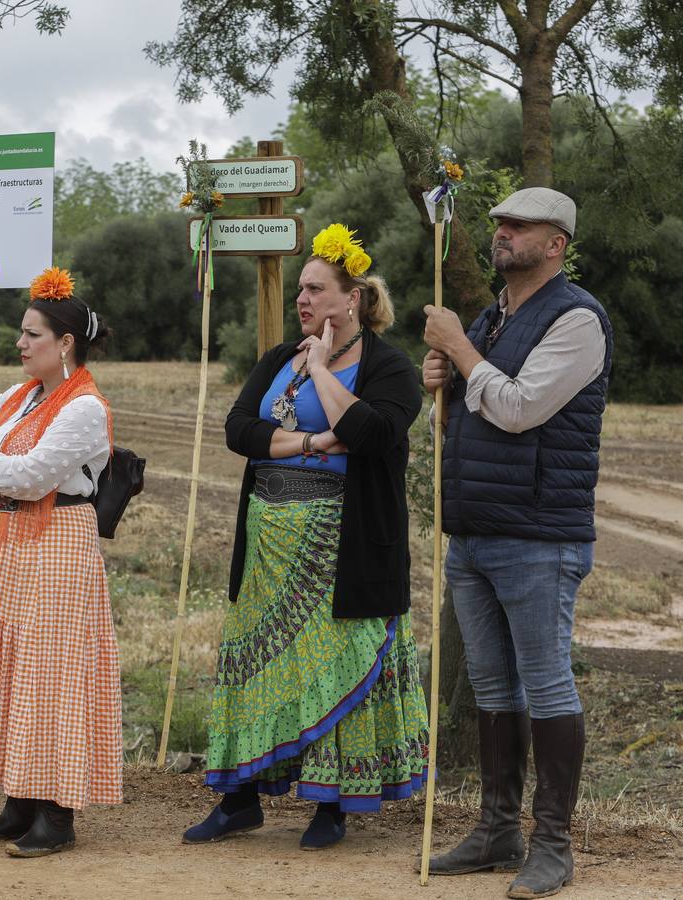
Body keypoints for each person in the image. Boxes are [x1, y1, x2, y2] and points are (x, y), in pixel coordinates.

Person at [183, 224, 429, 850]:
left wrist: (322, 371)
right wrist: (314, 442)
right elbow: (239, 430)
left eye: (317, 290)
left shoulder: (388, 366)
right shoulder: (275, 358)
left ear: (353, 300)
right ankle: (238, 800)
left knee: (330, 666)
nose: (305, 300)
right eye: (301, 290)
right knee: (257, 666)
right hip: (268, 542)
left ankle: (331, 806)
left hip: (340, 547)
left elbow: (375, 435)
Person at [422, 188, 611, 899]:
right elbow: (467, 417)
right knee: (494, 687)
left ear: (556, 242)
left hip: (538, 534)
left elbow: (517, 409)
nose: (501, 233)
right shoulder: (493, 317)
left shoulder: (578, 319)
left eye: (518, 226)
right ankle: (498, 830)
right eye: (499, 223)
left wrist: (461, 351)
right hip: (472, 530)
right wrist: (436, 382)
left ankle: (552, 845)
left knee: (546, 681)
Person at [0, 267, 120, 858]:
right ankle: (18, 800)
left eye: (32, 334)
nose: (20, 344)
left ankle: (57, 812)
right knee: (13, 666)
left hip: (58, 545)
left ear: (65, 343)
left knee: (53, 672)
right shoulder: (15, 397)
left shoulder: (86, 408)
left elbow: (29, 475)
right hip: (7, 543)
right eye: (22, 333)